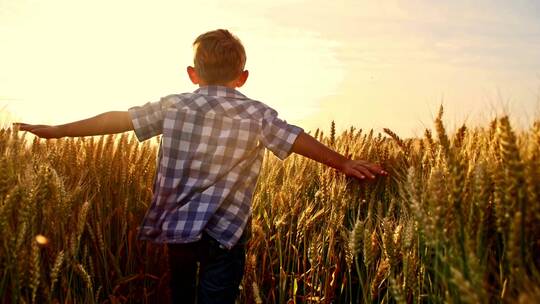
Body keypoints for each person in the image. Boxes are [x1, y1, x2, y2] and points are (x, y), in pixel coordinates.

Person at [15, 29, 387, 304]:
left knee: (182, 295)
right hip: (226, 233)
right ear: (242, 78)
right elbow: (295, 138)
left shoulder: (174, 105)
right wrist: (344, 162)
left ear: (193, 74)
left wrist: (58, 131)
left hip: (178, 229)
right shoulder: (256, 112)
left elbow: (117, 119)